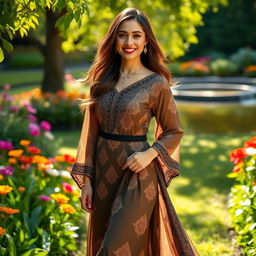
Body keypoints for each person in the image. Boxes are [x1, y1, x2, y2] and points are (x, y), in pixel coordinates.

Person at [70, 7, 200, 256]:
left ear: (146, 41)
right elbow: (89, 135)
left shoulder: (156, 84)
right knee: (107, 242)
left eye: (136, 35)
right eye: (122, 35)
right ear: (114, 39)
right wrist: (86, 182)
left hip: (138, 174)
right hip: (103, 175)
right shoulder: (101, 82)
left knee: (115, 249)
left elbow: (174, 131)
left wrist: (149, 154)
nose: (129, 42)